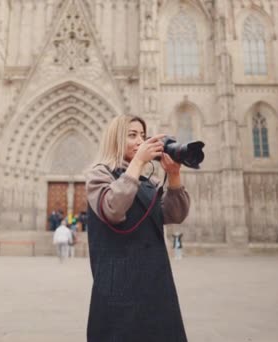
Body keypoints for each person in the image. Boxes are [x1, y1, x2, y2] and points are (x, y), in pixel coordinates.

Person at [85, 114, 190, 342]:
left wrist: (173, 176)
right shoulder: (99, 174)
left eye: (142, 135)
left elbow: (175, 214)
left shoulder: (145, 182)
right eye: (132, 135)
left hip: (155, 282)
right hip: (118, 286)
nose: (140, 141)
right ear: (115, 139)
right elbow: (112, 208)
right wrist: (137, 164)